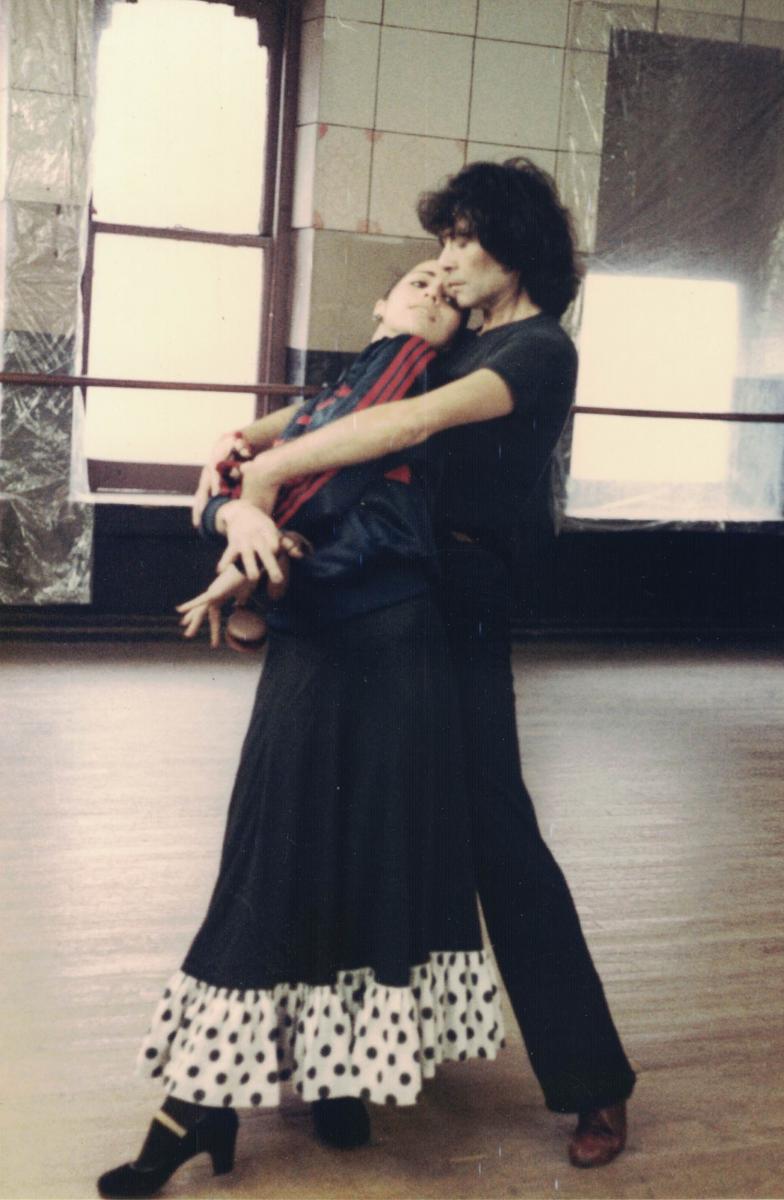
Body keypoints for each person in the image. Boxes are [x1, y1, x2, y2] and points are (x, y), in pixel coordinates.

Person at [198, 159, 637, 1169]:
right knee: (348, 812)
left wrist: (269, 471)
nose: (445, 261)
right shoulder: (461, 340)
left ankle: (593, 1081)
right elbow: (357, 397)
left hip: (463, 606)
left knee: (497, 835)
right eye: (443, 241)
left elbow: (411, 420)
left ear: (514, 249)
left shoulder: (537, 351)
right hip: (389, 592)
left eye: (462, 240)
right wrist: (245, 437)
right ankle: (336, 1065)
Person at [96, 262, 505, 1200]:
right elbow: (218, 493)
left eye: (451, 288)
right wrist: (240, 519)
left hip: (391, 652)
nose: (436, 287)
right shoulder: (330, 402)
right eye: (419, 278)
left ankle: (329, 1077)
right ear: (380, 305)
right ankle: (201, 1104)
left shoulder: (430, 399)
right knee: (274, 858)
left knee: (366, 852)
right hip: (315, 656)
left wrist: (265, 558)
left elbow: (382, 532)